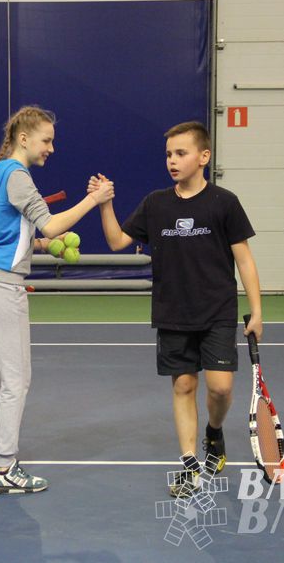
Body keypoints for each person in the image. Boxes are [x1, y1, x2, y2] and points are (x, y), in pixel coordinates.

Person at [0, 105, 114, 494]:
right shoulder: (18, 177)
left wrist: (46, 244)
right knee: (17, 379)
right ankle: (5, 468)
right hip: (1, 285)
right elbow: (50, 221)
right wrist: (93, 201)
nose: (51, 148)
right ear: (24, 138)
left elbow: (17, 231)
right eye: (47, 140)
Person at [88, 121, 261, 496]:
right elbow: (118, 241)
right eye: (168, 154)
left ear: (204, 157)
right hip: (173, 312)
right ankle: (188, 465)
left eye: (181, 153)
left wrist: (257, 310)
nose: (172, 160)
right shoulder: (156, 203)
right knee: (184, 385)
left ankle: (214, 432)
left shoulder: (224, 203)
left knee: (220, 388)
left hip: (217, 310)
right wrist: (105, 204)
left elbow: (244, 259)